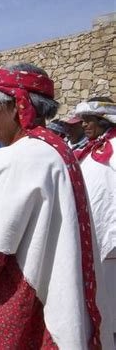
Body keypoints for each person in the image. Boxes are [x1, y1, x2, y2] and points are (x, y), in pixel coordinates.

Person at [0, 63, 112, 349]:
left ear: (17, 105)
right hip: (50, 297)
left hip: (14, 311)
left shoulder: (17, 158)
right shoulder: (57, 150)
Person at [73, 97, 116, 335]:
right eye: (84, 121)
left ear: (104, 121)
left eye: (90, 121)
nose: (85, 125)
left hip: (111, 234)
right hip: (93, 231)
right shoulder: (89, 151)